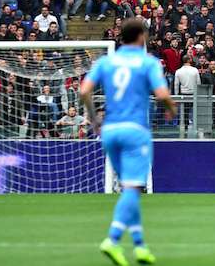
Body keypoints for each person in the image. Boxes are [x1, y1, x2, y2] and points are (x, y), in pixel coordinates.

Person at [80, 17, 176, 266]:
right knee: (133, 189)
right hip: (135, 131)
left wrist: (94, 118)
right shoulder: (148, 62)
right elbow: (162, 94)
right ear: (142, 36)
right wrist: (171, 109)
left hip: (110, 130)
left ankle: (140, 246)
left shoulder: (106, 61)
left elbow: (84, 90)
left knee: (128, 190)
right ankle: (112, 240)